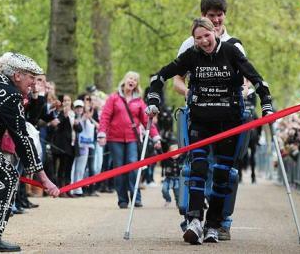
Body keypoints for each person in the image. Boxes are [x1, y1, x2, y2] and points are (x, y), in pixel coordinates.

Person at [146, 17, 273, 244]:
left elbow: (257, 79)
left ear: (215, 31)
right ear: (193, 40)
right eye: (198, 38)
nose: (204, 41)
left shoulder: (231, 51)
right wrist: (153, 98)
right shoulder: (191, 55)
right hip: (200, 120)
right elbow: (160, 76)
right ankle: (194, 220)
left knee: (222, 174)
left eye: (207, 35)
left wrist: (266, 106)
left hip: (228, 121)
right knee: (199, 167)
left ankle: (213, 224)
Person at [173, 0, 247, 241]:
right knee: (195, 165)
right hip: (199, 115)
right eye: (211, 16)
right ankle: (192, 218)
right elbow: (177, 80)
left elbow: (246, 77)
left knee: (227, 169)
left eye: (219, 16)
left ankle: (221, 221)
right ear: (203, 16)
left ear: (225, 15)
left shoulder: (234, 44)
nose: (216, 20)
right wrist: (191, 93)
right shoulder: (189, 43)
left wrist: (242, 92)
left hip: (228, 115)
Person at [0, 52, 59, 252]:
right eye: (31, 77)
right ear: (17, 76)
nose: (33, 83)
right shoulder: (10, 94)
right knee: (8, 174)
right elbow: (21, 137)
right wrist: (44, 178)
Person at [97, 71, 161, 209]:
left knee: (133, 166)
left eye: (135, 80)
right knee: (119, 169)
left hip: (132, 138)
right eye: (130, 78)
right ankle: (122, 200)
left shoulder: (139, 101)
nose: (132, 81)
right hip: (115, 138)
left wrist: (155, 137)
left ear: (136, 84)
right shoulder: (113, 98)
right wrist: (102, 133)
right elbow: (105, 116)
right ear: (124, 80)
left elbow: (146, 120)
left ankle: (136, 198)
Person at [161, 142, 184, 207]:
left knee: (177, 191)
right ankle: (168, 199)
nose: (174, 154)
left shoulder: (181, 159)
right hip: (168, 178)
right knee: (164, 189)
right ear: (169, 153)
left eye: (176, 152)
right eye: (172, 152)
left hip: (178, 178)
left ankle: (178, 202)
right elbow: (161, 153)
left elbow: (185, 154)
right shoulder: (166, 159)